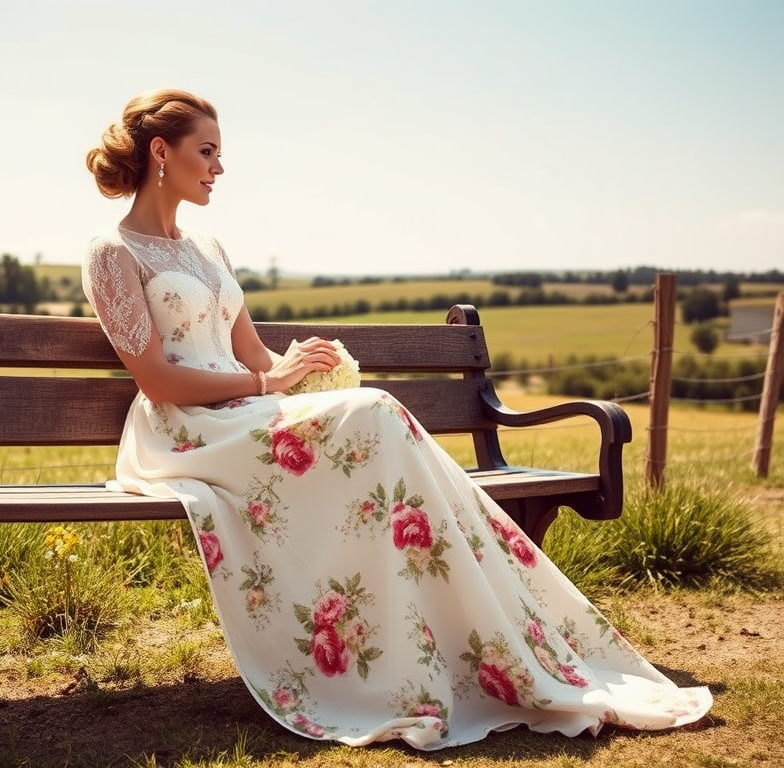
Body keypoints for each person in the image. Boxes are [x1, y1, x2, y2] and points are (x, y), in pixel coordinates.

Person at [81, 89, 712, 750]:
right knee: (376, 412)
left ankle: (457, 638)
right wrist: (272, 381)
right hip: (186, 431)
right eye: (206, 152)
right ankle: (411, 653)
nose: (218, 167)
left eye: (219, 153)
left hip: (245, 412)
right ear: (161, 151)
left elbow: (253, 355)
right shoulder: (113, 251)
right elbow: (154, 377)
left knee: (373, 415)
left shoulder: (208, 244)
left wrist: (304, 368)